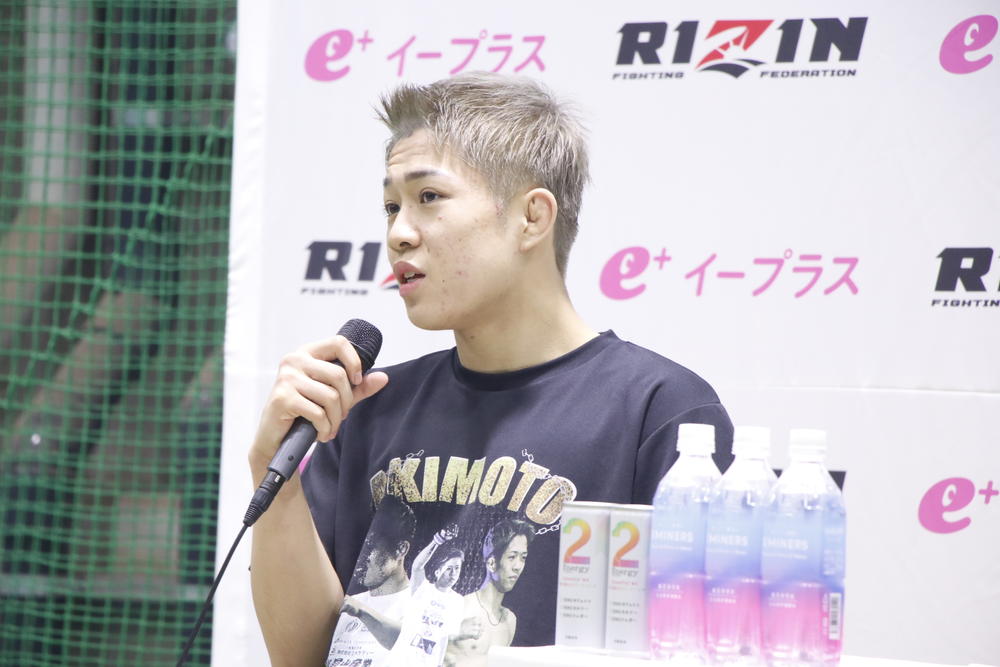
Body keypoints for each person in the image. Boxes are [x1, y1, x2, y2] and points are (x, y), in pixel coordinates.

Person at [248, 71, 734, 667]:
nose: (398, 234)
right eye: (391, 206)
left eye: (429, 197)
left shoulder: (660, 411)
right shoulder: (367, 406)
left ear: (532, 217)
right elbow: (300, 656)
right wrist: (275, 479)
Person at [323, 495, 416, 666]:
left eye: (369, 545)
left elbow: (411, 644)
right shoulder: (349, 603)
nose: (360, 556)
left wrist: (361, 612)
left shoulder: (420, 603)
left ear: (401, 549)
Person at [445, 519, 534, 666]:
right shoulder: (460, 606)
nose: (518, 566)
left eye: (523, 557)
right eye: (512, 557)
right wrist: (452, 634)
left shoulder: (510, 620)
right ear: (492, 563)